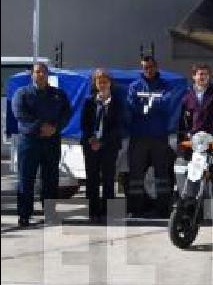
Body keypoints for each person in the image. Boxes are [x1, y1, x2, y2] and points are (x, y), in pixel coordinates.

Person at [11, 62, 72, 227]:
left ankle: (50, 214)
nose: (40, 75)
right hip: (29, 142)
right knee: (26, 179)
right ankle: (24, 215)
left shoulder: (58, 94)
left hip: (52, 141)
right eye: (37, 72)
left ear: (47, 74)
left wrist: (55, 128)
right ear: (32, 75)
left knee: (51, 179)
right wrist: (40, 127)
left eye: (43, 72)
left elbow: (67, 113)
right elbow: (20, 114)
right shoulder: (22, 93)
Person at [126, 55, 175, 218]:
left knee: (161, 174)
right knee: (136, 175)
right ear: (142, 68)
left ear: (156, 67)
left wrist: (147, 105)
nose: (148, 70)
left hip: (159, 136)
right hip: (138, 136)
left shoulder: (165, 86)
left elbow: (167, 103)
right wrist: (151, 105)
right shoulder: (135, 86)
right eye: (145, 67)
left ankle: (163, 209)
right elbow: (132, 105)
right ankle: (136, 209)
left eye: (151, 67)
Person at [80, 69, 127, 223]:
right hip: (90, 146)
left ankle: (108, 213)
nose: (102, 84)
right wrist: (92, 140)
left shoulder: (117, 102)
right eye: (99, 82)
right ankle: (93, 212)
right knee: (92, 179)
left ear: (110, 83)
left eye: (105, 81)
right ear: (95, 84)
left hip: (109, 146)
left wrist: (102, 141)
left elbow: (118, 127)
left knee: (108, 179)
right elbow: (84, 124)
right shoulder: (89, 101)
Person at [178, 63, 213, 160]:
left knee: (211, 166)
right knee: (190, 166)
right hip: (192, 136)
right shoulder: (186, 93)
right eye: (200, 74)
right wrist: (183, 133)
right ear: (194, 76)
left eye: (206, 74)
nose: (203, 77)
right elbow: (180, 115)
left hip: (211, 136)